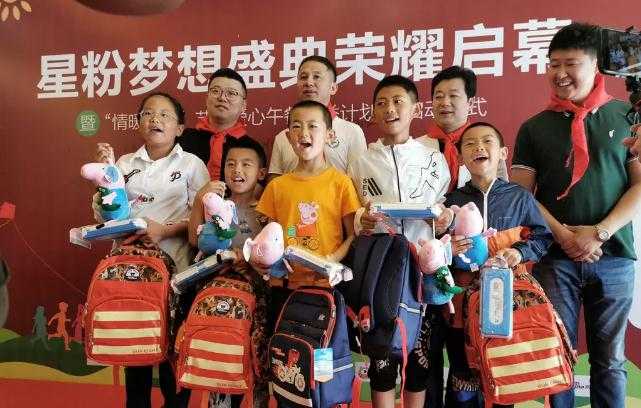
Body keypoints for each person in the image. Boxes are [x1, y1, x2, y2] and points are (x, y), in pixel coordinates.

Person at [511, 23, 641, 408]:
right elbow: (521, 195)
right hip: (555, 258)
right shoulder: (534, 128)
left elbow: (639, 185)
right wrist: (565, 237)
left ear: (596, 65)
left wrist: (598, 233)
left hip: (614, 256)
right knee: (558, 356)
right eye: (553, 64)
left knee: (610, 361)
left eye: (571, 64)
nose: (560, 73)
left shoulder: (627, 116)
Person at [95, 92, 210, 408]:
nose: (154, 119)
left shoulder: (191, 165)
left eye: (164, 115)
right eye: (147, 113)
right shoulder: (124, 163)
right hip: (131, 274)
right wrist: (106, 181)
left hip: (177, 274)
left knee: (174, 359)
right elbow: (107, 215)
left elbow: (203, 220)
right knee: (136, 355)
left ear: (180, 128)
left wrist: (164, 230)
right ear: (138, 123)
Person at [347, 75, 451, 408]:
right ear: (373, 112)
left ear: (415, 109)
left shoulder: (433, 158)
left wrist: (443, 217)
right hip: (380, 268)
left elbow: (443, 208)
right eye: (381, 103)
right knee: (381, 356)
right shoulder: (361, 162)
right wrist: (361, 220)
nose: (389, 109)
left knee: (420, 358)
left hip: (424, 267)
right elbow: (352, 215)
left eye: (397, 102)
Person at [438, 122, 552, 408]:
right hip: (462, 303)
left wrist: (519, 252)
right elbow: (434, 248)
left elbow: (542, 237)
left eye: (487, 141)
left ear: (503, 152)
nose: (478, 147)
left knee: (504, 373)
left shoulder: (520, 197)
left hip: (507, 301)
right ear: (460, 156)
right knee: (463, 376)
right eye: (470, 143)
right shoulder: (451, 201)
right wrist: (447, 250)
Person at [256, 99, 361, 319]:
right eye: (296, 126)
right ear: (288, 137)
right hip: (283, 285)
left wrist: (331, 259)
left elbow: (353, 234)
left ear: (329, 135)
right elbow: (269, 235)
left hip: (326, 284)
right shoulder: (276, 186)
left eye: (313, 126)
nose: (304, 133)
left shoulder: (341, 183)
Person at [188, 135, 270, 408]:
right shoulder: (215, 204)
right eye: (231, 164)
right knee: (222, 367)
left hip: (257, 301)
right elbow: (194, 239)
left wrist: (248, 258)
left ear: (261, 172)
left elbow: (279, 246)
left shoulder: (267, 207)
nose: (237, 170)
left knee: (256, 368)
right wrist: (200, 198)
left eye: (246, 164)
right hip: (220, 302)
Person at [269, 55, 366, 178]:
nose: (308, 83)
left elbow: (360, 180)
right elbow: (274, 183)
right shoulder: (283, 137)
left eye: (316, 77)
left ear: (333, 88)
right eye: (303, 77)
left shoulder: (352, 132)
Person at [418, 66, 508, 194]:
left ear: (470, 103)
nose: (445, 102)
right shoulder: (414, 147)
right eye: (438, 97)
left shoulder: (488, 148)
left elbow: (501, 196)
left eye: (453, 95)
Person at [179, 68, 248, 180]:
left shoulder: (250, 147)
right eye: (216, 91)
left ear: (243, 105)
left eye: (231, 93)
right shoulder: (182, 139)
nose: (222, 98)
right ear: (206, 98)